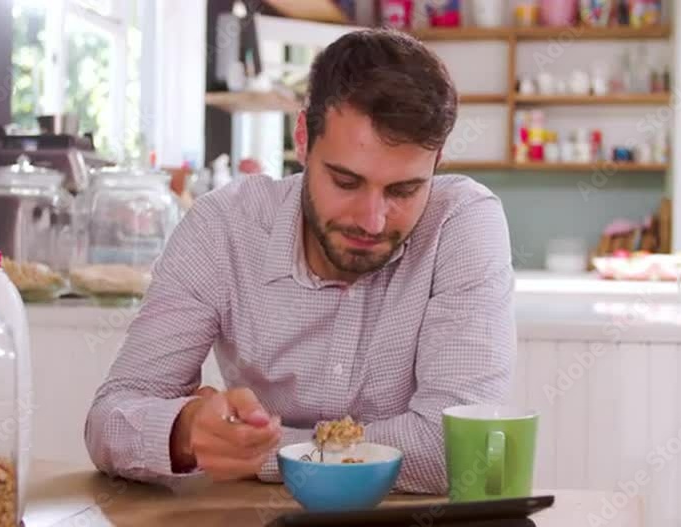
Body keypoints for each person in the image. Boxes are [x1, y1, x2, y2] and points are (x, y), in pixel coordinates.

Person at [84, 28, 516, 495]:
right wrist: (185, 432)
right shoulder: (224, 227)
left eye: (404, 190)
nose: (371, 221)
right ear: (303, 138)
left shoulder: (462, 222)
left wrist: (264, 454)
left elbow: (460, 450)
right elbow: (109, 421)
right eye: (346, 182)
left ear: (437, 162)